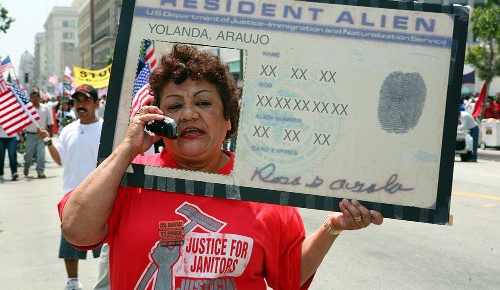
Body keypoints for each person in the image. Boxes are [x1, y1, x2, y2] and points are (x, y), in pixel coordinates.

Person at [59, 44, 383, 289]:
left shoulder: (260, 188)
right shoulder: (133, 177)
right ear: (159, 120)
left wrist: (332, 227)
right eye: (174, 105)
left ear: (228, 119)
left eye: (203, 102)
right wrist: (127, 150)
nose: (187, 114)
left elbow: (289, 277)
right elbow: (76, 229)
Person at [39, 84, 103, 290]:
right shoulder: (67, 130)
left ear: (96, 103)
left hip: (101, 197)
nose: (80, 105)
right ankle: (72, 282)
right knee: (70, 242)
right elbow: (60, 160)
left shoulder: (106, 129)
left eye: (85, 100)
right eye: (77, 101)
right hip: (72, 197)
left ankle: (108, 281)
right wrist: (48, 143)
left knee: (105, 246)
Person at [23, 91, 54, 178]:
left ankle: (40, 171)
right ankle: (26, 165)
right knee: (28, 154)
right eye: (32, 97)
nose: (34, 99)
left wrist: (50, 132)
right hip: (30, 135)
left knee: (41, 154)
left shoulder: (45, 108)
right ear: (30, 99)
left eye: (36, 97)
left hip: (42, 135)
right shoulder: (27, 109)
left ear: (39, 98)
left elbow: (50, 121)